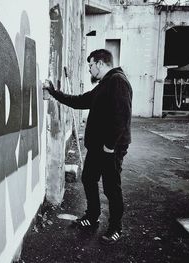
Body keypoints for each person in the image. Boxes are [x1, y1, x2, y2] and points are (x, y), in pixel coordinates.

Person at [43, 49, 132, 245]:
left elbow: (122, 117)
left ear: (100, 63)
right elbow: (81, 101)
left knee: (111, 188)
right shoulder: (105, 84)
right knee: (89, 178)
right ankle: (92, 216)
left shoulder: (117, 81)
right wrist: (55, 93)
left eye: (90, 65)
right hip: (98, 147)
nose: (89, 70)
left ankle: (116, 228)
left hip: (110, 148)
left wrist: (109, 146)